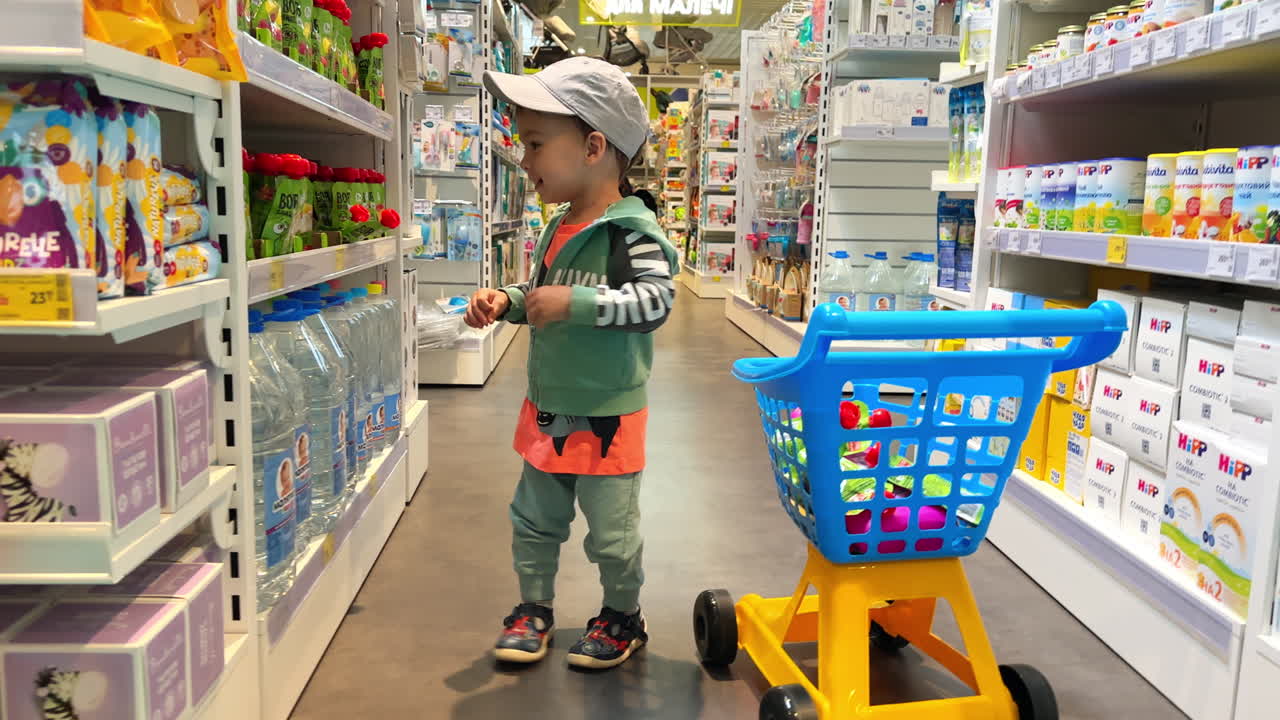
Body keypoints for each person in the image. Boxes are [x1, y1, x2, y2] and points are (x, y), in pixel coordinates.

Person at [464, 57, 679, 670]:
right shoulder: (558, 223)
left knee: (613, 535)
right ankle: (533, 608)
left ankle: (621, 616)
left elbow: (656, 302)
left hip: (608, 413)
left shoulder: (631, 232)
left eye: (534, 143)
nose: (524, 160)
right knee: (533, 519)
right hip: (548, 406)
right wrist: (507, 301)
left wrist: (574, 302)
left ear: (592, 146)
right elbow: (543, 299)